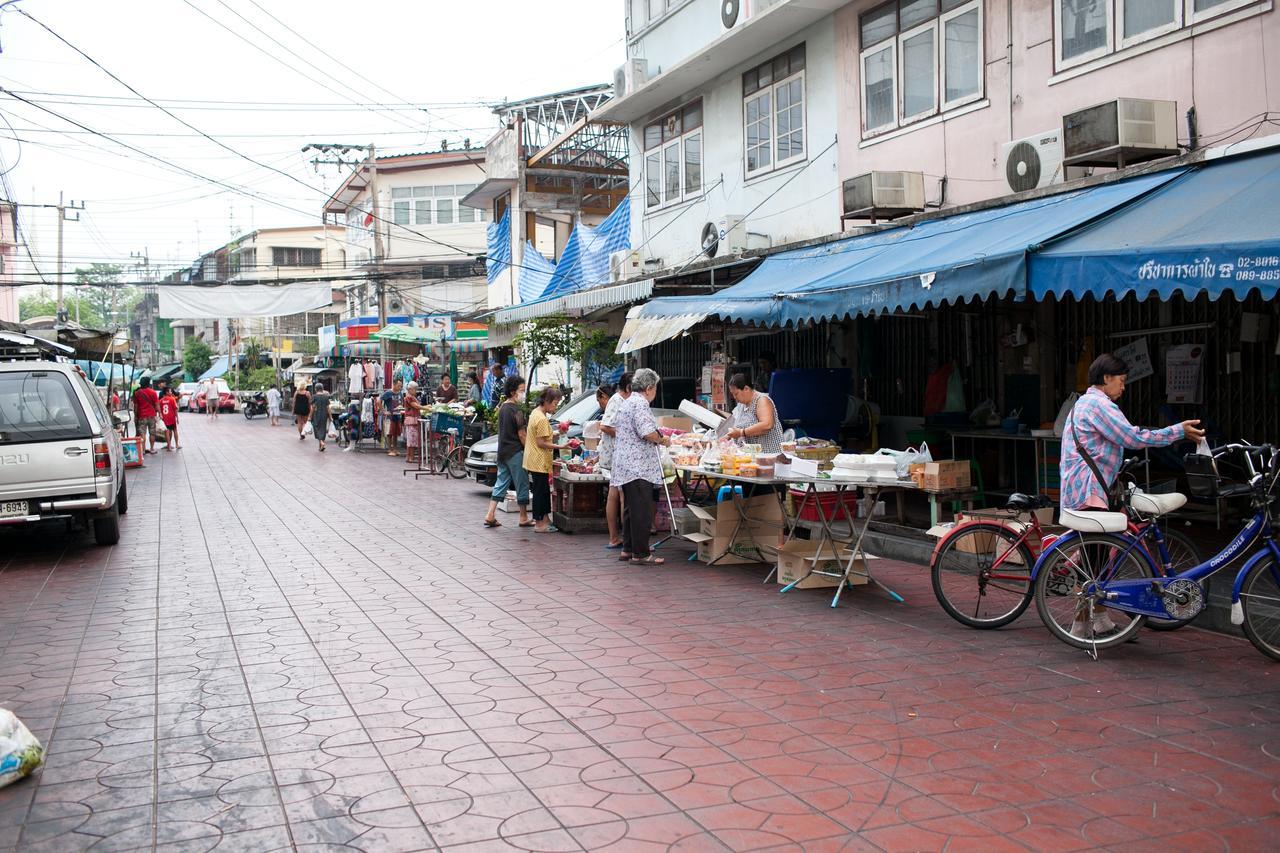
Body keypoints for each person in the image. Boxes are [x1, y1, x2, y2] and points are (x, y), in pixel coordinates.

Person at [1060, 353, 1204, 637]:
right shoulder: (1100, 405)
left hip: (1090, 488)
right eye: (1122, 381)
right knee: (1094, 560)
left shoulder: (1085, 403)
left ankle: (1099, 618)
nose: (1124, 387)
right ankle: (1079, 625)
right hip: (1090, 490)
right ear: (1106, 379)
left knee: (1099, 557)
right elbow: (1133, 438)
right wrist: (1177, 431)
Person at [610, 368, 670, 565]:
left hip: (626, 464)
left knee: (630, 509)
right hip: (638, 465)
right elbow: (647, 433)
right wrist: (663, 439)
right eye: (655, 389)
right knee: (641, 510)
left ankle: (628, 549)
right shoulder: (640, 404)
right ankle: (641, 553)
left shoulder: (628, 402)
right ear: (649, 388)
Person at [483, 375, 532, 529]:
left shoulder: (503, 407)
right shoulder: (516, 410)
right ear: (513, 392)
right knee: (522, 482)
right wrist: (529, 450)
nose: (523, 394)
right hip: (515, 451)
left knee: (501, 482)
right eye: (521, 391)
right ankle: (523, 516)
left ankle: (490, 514)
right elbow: (522, 434)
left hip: (503, 451)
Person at [598, 373, 632, 549]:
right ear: (628, 388)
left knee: (615, 494)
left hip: (619, 455)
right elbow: (605, 425)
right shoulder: (617, 400)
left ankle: (616, 538)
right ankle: (623, 539)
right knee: (622, 496)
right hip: (616, 456)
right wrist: (628, 435)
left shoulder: (622, 400)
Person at [525, 386, 565, 533]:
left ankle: (545, 519)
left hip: (535, 459)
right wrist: (562, 446)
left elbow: (543, 437)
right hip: (538, 460)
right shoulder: (541, 418)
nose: (556, 406)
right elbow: (541, 442)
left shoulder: (536, 413)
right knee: (540, 492)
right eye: (555, 403)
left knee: (542, 490)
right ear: (547, 401)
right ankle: (539, 523)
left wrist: (558, 432)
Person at [725, 372, 784, 453]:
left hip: (769, 454)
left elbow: (767, 424)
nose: (735, 397)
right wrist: (726, 437)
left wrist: (742, 432)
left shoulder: (761, 400)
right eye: (733, 395)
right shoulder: (742, 405)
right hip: (753, 455)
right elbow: (737, 427)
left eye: (736, 394)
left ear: (746, 389)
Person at [133, 376, 160, 455]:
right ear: (148, 383)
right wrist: (160, 413)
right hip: (151, 415)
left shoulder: (137, 393)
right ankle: (151, 449)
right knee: (152, 433)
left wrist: (135, 415)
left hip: (142, 416)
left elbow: (136, 406)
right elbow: (157, 404)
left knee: (142, 433)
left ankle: (143, 450)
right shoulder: (153, 392)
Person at [381, 379, 405, 457]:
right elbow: (379, 401)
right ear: (394, 385)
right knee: (390, 433)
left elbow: (401, 402)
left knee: (396, 433)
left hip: (398, 415)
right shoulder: (388, 393)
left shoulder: (400, 393)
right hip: (390, 416)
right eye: (399, 386)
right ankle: (389, 449)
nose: (400, 387)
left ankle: (395, 449)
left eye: (401, 386)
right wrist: (384, 411)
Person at [403, 381, 425, 464]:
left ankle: (409, 457)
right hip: (412, 420)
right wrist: (426, 408)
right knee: (412, 440)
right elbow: (415, 406)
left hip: (413, 419)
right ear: (410, 389)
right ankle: (410, 457)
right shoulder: (409, 397)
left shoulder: (411, 396)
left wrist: (424, 407)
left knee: (411, 440)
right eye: (414, 389)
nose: (416, 391)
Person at [310, 383, 331, 452]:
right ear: (322, 389)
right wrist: (330, 417)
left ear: (316, 389)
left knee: (316, 428)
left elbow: (313, 408)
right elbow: (328, 408)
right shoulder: (326, 397)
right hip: (324, 415)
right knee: (323, 429)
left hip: (316, 415)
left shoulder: (314, 397)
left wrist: (310, 416)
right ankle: (320, 446)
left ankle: (321, 442)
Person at [158, 386, 180, 451]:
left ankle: (169, 446)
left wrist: (160, 415)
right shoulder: (172, 399)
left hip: (164, 418)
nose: (171, 392)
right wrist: (177, 417)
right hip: (171, 418)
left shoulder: (161, 400)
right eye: (170, 391)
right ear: (167, 392)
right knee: (175, 430)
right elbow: (175, 409)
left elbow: (159, 409)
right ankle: (177, 445)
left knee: (167, 432)